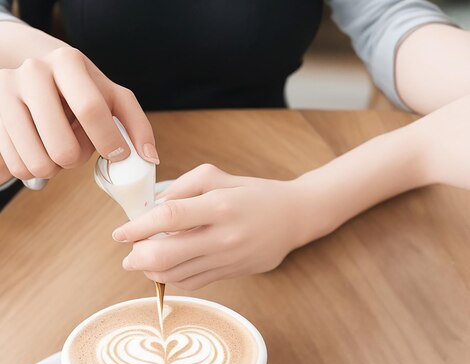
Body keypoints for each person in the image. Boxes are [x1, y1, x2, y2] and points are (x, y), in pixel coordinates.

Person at [1, 1, 470, 289]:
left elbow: (388, 18)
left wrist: (308, 205)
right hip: (72, 196)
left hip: (267, 175)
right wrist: (31, 58)